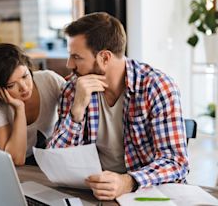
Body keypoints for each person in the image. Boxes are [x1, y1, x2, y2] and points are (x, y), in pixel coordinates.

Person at [48, 12, 188, 200]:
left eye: (77, 57)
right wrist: (77, 111)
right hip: (94, 193)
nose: (69, 64)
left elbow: (175, 162)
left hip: (147, 193)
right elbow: (56, 161)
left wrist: (127, 181)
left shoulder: (156, 87)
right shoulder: (74, 89)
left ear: (105, 58)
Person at [0, 43, 66, 165]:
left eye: (25, 76)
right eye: (11, 85)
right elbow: (15, 160)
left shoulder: (50, 80)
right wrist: (19, 109)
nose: (24, 87)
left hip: (54, 160)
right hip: (21, 169)